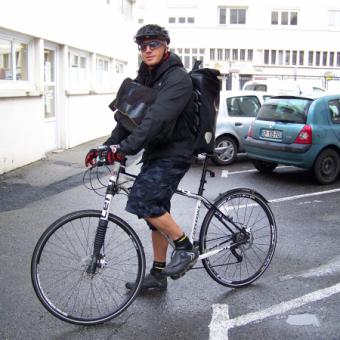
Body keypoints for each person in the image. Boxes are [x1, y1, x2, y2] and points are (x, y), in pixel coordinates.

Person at [85, 24, 199, 290]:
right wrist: (106, 147)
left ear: (165, 46)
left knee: (145, 200)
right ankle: (158, 276)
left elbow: (154, 120)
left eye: (154, 44)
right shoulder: (145, 76)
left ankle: (185, 248)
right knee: (155, 209)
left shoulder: (178, 79)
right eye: (143, 46)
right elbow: (128, 118)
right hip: (157, 151)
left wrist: (123, 149)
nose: (147, 50)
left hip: (177, 151)